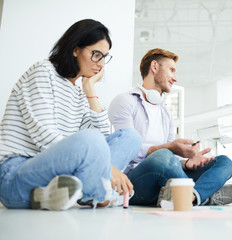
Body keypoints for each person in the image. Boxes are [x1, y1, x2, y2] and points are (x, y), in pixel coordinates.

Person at [0, 19, 141, 210]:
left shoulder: (79, 91)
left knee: (131, 137)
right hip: (16, 175)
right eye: (96, 54)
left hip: (60, 178)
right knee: (90, 140)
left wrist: (90, 90)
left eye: (104, 57)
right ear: (76, 49)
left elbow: (104, 140)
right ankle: (99, 194)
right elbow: (44, 137)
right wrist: (107, 167)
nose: (100, 64)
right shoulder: (43, 72)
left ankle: (73, 192)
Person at [108, 48, 232, 206]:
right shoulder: (125, 101)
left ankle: (189, 196)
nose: (175, 78)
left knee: (224, 162)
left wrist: (186, 163)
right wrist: (169, 148)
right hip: (135, 183)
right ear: (155, 67)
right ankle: (201, 196)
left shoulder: (166, 114)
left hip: (165, 176)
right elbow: (126, 150)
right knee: (163, 156)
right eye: (171, 70)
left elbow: (172, 160)